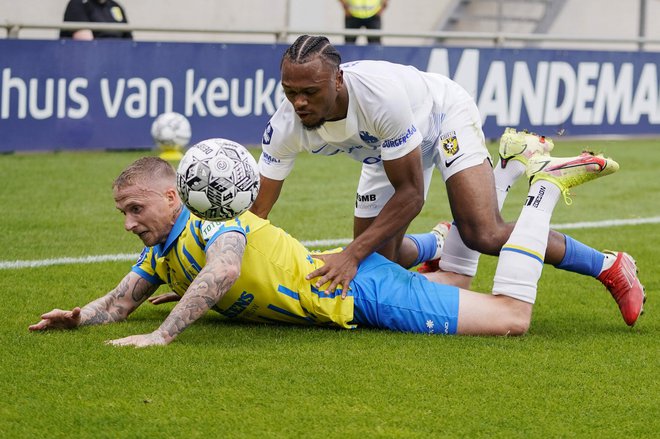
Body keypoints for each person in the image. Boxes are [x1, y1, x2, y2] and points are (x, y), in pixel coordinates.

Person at [28, 148, 644, 346]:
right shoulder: (165, 248)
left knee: (512, 318)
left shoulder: (217, 222)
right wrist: (80, 315)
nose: (129, 221)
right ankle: (506, 169)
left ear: (173, 198)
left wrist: (164, 336)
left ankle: (542, 187)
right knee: (454, 284)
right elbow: (121, 300)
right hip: (352, 278)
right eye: (123, 212)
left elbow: (222, 275)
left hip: (361, 294)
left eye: (135, 208)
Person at [250, 35, 646, 327]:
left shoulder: (378, 98)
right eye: (290, 92)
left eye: (309, 92)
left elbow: (410, 196)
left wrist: (350, 255)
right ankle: (439, 241)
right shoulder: (285, 124)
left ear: (337, 81)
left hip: (440, 117)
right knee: (379, 261)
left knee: (483, 233)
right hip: (384, 149)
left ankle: (609, 265)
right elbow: (258, 212)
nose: (299, 103)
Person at [60, 0, 132, 40]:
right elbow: (86, 44)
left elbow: (129, 42)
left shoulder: (115, 6)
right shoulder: (77, 4)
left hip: (118, 60)